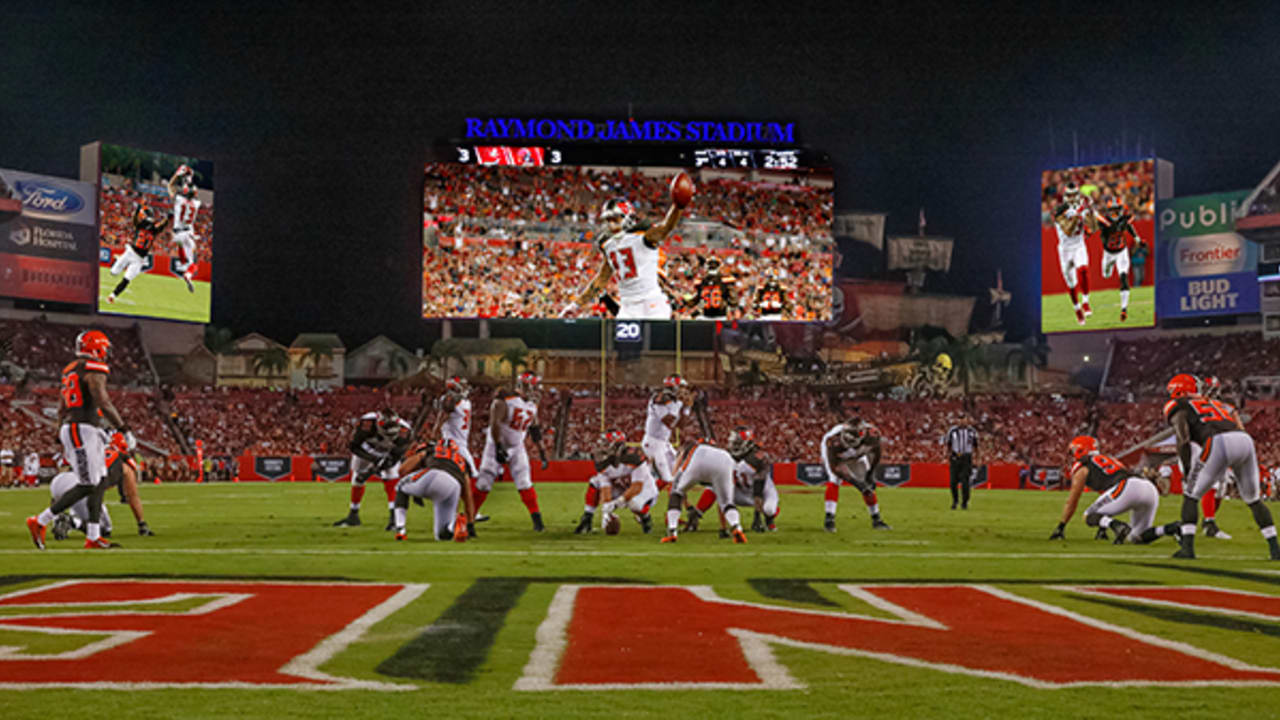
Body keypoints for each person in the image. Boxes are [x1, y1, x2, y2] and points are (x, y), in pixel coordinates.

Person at [26, 330, 134, 550]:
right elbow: (102, 401)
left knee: (100, 481)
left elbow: (62, 406)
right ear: (96, 348)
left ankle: (93, 536)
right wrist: (123, 428)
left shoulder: (71, 370)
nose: (106, 353)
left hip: (81, 428)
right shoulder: (94, 368)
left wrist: (59, 428)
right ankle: (40, 521)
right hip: (82, 428)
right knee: (88, 483)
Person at [1163, 373, 1280, 560]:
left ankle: (1187, 548)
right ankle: (1275, 549)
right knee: (1254, 499)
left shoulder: (1177, 405)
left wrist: (1186, 470)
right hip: (1244, 440)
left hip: (1218, 442)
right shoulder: (1215, 403)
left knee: (1191, 495)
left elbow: (1183, 439)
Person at [562, 180, 688, 320]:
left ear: (627, 218)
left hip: (652, 303)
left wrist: (678, 206)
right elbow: (600, 280)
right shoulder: (608, 244)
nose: (611, 225)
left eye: (614, 219)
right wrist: (576, 305)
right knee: (621, 342)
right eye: (608, 220)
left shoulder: (643, 236)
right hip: (627, 307)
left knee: (655, 342)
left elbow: (666, 227)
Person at [1049, 436, 1167, 544]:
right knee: (1137, 537)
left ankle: (1117, 526)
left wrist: (1061, 526)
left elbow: (1073, 500)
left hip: (1128, 487)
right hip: (1147, 488)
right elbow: (1107, 496)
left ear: (1081, 450)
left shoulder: (1083, 467)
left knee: (1088, 515)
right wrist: (1102, 529)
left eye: (1074, 450)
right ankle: (1174, 528)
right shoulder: (1110, 459)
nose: (1072, 454)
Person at [470, 371, 549, 531]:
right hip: (495, 445)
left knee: (524, 482)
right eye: (534, 387)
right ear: (524, 386)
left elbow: (535, 429)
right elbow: (495, 423)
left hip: (517, 447)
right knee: (484, 483)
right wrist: (498, 446)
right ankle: (469, 521)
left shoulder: (531, 405)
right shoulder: (506, 400)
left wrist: (542, 452)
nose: (536, 391)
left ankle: (538, 521)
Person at [48, 432, 151, 542]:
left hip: (59, 481)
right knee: (104, 529)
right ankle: (72, 522)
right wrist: (141, 523)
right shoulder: (123, 462)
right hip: (83, 489)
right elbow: (133, 496)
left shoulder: (93, 448)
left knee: (69, 496)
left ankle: (58, 519)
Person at [686, 426, 778, 535]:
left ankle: (769, 518)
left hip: (763, 493)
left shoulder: (757, 458)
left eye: (737, 443)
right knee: (715, 486)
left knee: (769, 509)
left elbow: (759, 488)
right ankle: (697, 515)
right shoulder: (727, 456)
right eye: (733, 442)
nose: (732, 445)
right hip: (740, 491)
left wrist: (757, 516)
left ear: (746, 443)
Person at [332, 409, 413, 529]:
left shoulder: (404, 431)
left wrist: (378, 467)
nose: (389, 436)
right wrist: (372, 460)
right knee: (357, 479)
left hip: (387, 453)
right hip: (366, 451)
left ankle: (393, 519)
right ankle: (353, 515)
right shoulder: (368, 423)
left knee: (391, 479)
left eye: (392, 435)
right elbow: (354, 446)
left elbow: (396, 456)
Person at [661, 440, 747, 544]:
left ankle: (672, 531)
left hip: (699, 458)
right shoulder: (718, 450)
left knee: (676, 492)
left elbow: (679, 465)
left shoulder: (692, 449)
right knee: (726, 503)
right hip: (725, 459)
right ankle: (737, 526)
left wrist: (674, 478)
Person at [573, 430, 658, 535]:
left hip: (645, 489)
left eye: (606, 444)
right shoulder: (603, 463)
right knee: (594, 482)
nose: (602, 447)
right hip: (621, 487)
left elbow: (637, 487)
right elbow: (605, 489)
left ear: (617, 446)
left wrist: (618, 502)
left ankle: (645, 518)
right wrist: (606, 511)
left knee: (634, 504)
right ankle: (587, 517)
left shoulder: (634, 458)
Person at [390, 437, 474, 542]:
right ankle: (455, 524)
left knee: (400, 486)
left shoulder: (431, 451)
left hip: (435, 475)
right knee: (442, 537)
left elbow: (402, 470)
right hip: (454, 487)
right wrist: (471, 523)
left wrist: (421, 455)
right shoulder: (462, 462)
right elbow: (468, 496)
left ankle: (400, 529)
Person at [820, 418, 891, 532]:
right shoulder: (833, 441)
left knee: (868, 486)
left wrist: (870, 473)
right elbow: (836, 468)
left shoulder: (872, 436)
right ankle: (829, 519)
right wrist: (857, 484)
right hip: (839, 455)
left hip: (859, 453)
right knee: (835, 480)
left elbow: (877, 453)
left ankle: (876, 519)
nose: (848, 444)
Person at [105, 197, 170, 305]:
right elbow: (135, 219)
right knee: (113, 273)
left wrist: (168, 218)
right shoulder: (141, 225)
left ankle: (112, 296)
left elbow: (162, 225)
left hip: (139, 259)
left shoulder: (153, 229)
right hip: (130, 252)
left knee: (127, 279)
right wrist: (139, 208)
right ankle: (118, 260)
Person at [1052, 182, 1099, 326]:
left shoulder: (1082, 207)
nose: (1072, 198)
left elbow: (1094, 227)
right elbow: (1068, 230)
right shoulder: (1060, 211)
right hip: (1065, 250)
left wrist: (1090, 211)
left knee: (1084, 270)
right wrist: (1079, 214)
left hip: (1079, 245)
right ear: (1065, 196)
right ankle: (1077, 309)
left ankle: (1085, 302)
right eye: (1069, 195)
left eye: (1074, 195)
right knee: (1071, 284)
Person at [641, 374, 690, 493]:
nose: (685, 391)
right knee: (667, 478)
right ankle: (643, 499)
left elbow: (681, 426)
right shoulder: (659, 398)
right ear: (675, 387)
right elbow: (668, 422)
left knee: (678, 472)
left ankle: (645, 492)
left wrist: (686, 408)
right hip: (653, 442)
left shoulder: (674, 401)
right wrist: (679, 404)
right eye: (682, 387)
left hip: (664, 443)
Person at [1097, 197, 1141, 322]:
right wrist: (1111, 227)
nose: (1115, 213)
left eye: (1117, 210)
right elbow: (1103, 238)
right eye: (1112, 211)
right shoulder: (1105, 222)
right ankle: (1109, 267)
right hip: (1108, 253)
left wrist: (1137, 238)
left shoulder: (1124, 219)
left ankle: (1124, 309)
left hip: (1122, 251)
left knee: (1123, 276)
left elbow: (1129, 226)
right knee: (1106, 275)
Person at [166, 164, 202, 293]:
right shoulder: (197, 204)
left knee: (185, 255)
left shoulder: (179, 199)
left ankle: (186, 272)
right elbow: (192, 192)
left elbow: (170, 186)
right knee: (194, 263)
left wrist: (178, 174)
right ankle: (188, 274)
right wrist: (189, 177)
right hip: (188, 232)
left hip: (178, 233)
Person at [430, 376, 475, 477]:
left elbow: (444, 414)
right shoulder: (466, 402)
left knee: (472, 472)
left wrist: (435, 429)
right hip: (458, 440)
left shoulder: (452, 399)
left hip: (453, 442)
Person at [943, 414, 979, 509]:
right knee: (953, 482)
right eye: (960, 420)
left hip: (966, 457)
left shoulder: (972, 431)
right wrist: (948, 456)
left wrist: (977, 458)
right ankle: (955, 501)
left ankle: (965, 502)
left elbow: (976, 446)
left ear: (967, 420)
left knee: (965, 481)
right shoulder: (952, 431)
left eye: (964, 420)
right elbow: (948, 445)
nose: (962, 422)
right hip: (955, 457)